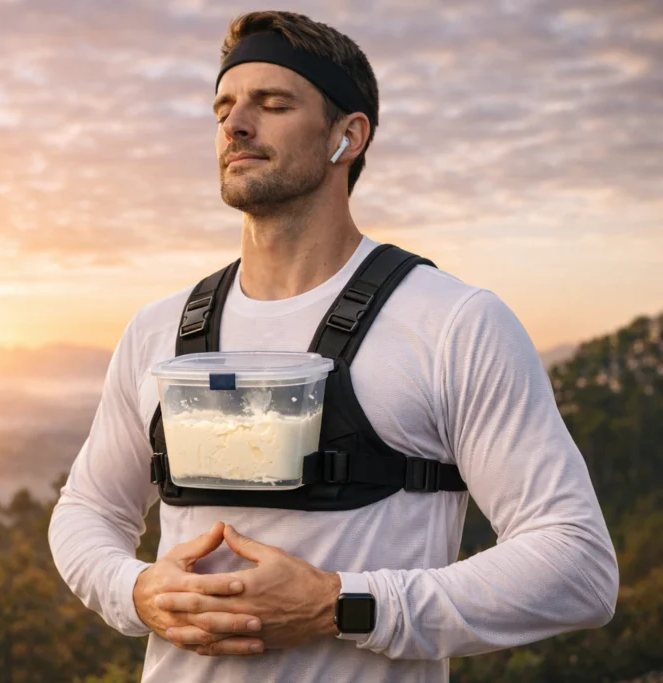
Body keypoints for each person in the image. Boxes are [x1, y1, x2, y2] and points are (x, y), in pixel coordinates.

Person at [48, 10, 618, 683]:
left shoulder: (453, 323)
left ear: (348, 136)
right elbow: (88, 510)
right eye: (224, 106)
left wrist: (341, 604)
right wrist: (135, 590)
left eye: (273, 104)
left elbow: (578, 565)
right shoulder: (160, 329)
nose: (234, 125)